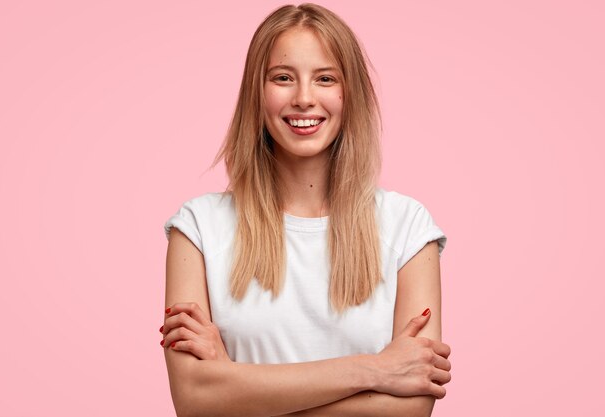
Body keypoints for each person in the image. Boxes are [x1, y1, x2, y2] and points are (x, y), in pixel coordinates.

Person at [160, 3, 452, 416]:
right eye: (282, 78)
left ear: (349, 93)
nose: (303, 99)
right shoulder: (198, 228)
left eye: (325, 78)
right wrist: (376, 369)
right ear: (256, 93)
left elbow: (411, 409)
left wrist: (235, 386)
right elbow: (194, 402)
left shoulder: (407, 227)